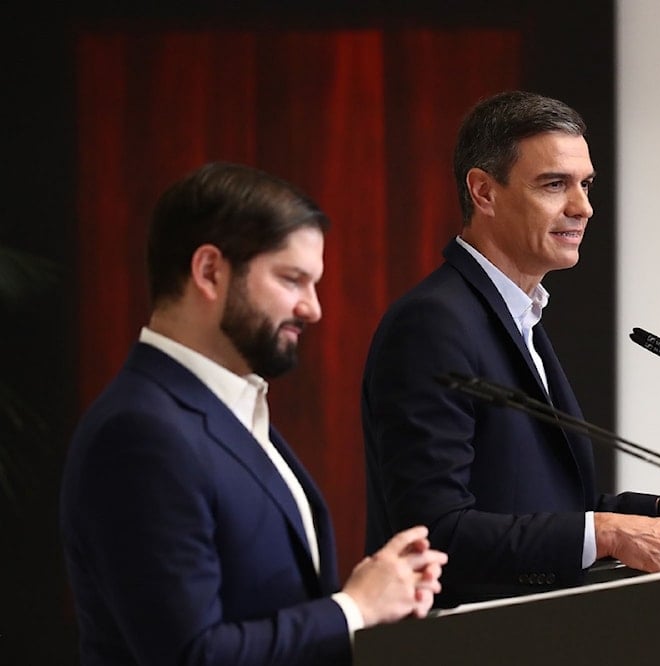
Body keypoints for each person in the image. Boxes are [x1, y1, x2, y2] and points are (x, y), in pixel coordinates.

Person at [361, 91, 660, 606]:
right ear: (483, 191)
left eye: (585, 184)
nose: (583, 207)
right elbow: (434, 533)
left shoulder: (516, 316)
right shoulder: (435, 322)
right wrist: (608, 533)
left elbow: (545, 504)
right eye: (554, 185)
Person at [61, 163, 447, 665]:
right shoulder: (139, 433)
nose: (313, 308)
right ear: (209, 272)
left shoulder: (232, 405)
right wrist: (354, 608)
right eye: (292, 279)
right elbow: (193, 656)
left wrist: (377, 596)